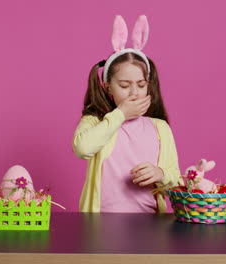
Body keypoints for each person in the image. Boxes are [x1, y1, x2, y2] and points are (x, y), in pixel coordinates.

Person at [73, 15, 181, 213]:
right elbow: (82, 148)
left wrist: (161, 173)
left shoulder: (160, 128)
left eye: (141, 85)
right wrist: (120, 114)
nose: (134, 92)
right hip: (101, 225)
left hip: (151, 225)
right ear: (108, 88)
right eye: (124, 85)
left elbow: (177, 183)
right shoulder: (95, 121)